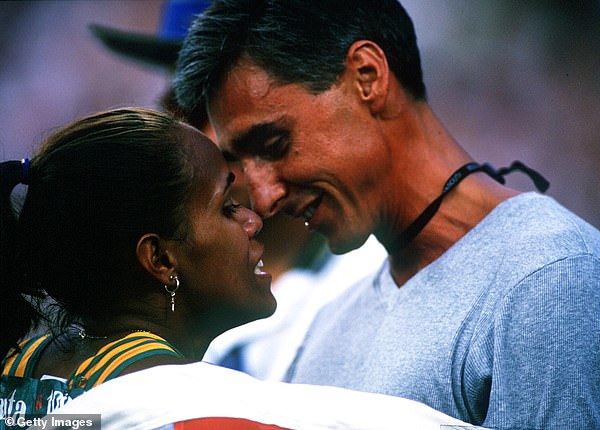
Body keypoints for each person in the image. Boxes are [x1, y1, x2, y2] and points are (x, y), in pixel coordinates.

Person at [173, 1, 600, 428]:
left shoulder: (550, 279)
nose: (266, 200)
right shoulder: (325, 327)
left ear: (368, 76)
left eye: (274, 145)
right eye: (240, 166)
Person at [0, 107, 469, 429]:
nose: (253, 217)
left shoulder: (24, 373)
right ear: (161, 259)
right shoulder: (192, 405)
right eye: (227, 206)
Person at [90, 0, 386, 381]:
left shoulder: (375, 280)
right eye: (172, 112)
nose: (184, 139)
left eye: (204, 110)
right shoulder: (156, 294)